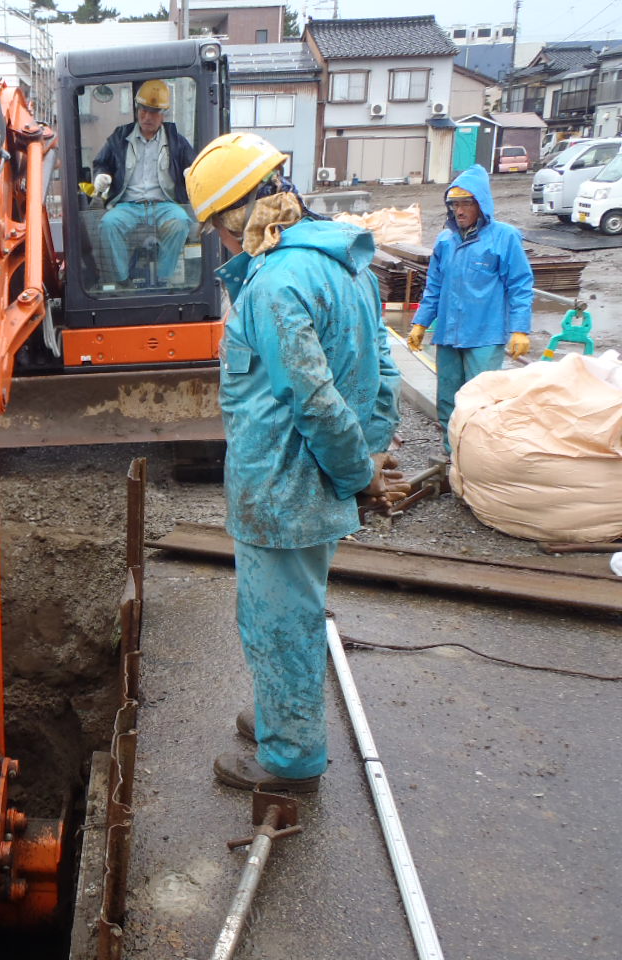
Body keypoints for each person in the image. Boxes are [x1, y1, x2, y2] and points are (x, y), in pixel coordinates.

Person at [183, 132, 409, 792]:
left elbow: (314, 400)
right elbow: (385, 373)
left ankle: (289, 758)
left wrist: (357, 474)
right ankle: (285, 713)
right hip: (309, 488)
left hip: (282, 493)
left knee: (278, 621)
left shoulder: (273, 287)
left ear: (234, 219)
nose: (219, 246)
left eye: (215, 232)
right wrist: (366, 452)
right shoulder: (344, 263)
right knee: (293, 610)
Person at [406, 164, 534, 456]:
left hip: (484, 336)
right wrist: (420, 323)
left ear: (481, 204)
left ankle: (479, 460)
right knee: (448, 399)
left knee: (481, 401)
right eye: (454, 204)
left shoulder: (504, 237)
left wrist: (519, 328)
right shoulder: (445, 241)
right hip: (449, 335)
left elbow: (520, 285)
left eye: (466, 203)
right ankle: (453, 455)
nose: (459, 211)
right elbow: (434, 287)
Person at [90, 79, 197, 286]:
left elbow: (192, 163)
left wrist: (190, 172)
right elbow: (102, 163)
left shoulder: (175, 139)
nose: (147, 117)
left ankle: (163, 277)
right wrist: (101, 177)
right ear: (138, 109)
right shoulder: (120, 137)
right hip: (128, 204)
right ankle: (122, 280)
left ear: (163, 114)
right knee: (108, 225)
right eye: (144, 110)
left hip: (164, 204)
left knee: (181, 222)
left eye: (154, 112)